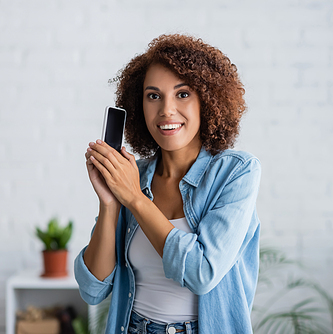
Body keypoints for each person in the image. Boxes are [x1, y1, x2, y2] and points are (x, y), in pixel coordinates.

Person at [74, 34, 261, 334]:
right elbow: (92, 290)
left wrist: (135, 198)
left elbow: (201, 271)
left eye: (182, 94)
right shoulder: (134, 176)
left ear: (207, 100)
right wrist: (110, 203)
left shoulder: (236, 173)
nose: (166, 110)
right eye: (153, 95)